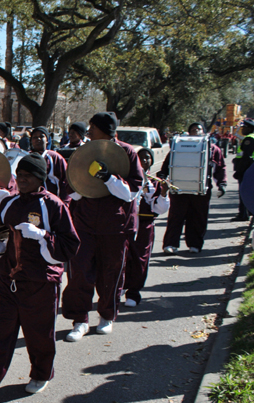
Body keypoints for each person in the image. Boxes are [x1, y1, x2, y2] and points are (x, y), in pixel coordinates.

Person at [0, 153, 80, 403]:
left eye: (27, 177)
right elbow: (0, 231)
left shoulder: (53, 205)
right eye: (19, 176)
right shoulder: (9, 203)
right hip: (7, 280)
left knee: (39, 334)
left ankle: (40, 374)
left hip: (39, 282)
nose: (22, 180)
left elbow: (70, 244)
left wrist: (42, 236)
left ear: (39, 179)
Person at [62, 112, 144, 341]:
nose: (89, 131)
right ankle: (80, 321)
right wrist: (77, 190)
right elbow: (72, 184)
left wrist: (108, 178)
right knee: (79, 273)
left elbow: (132, 193)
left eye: (93, 127)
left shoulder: (127, 152)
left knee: (111, 273)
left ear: (105, 130)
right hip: (85, 223)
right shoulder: (84, 151)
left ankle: (107, 316)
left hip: (115, 226)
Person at [161, 122, 226, 254]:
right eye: (193, 129)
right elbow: (168, 163)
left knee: (198, 218)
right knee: (176, 217)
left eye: (199, 129)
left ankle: (195, 244)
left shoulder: (213, 149)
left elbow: (220, 167)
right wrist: (162, 177)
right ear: (189, 132)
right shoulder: (178, 146)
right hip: (179, 188)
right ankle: (170, 244)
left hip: (201, 190)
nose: (196, 130)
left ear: (204, 132)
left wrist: (222, 184)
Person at [125, 149, 169, 307]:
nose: (143, 160)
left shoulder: (155, 182)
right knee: (123, 257)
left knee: (140, 259)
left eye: (147, 158)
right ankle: (121, 287)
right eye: (140, 157)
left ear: (151, 161)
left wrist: (163, 194)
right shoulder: (128, 178)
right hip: (126, 225)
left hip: (145, 226)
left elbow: (160, 209)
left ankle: (134, 293)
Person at [232, 119, 254, 221]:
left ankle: (243, 215)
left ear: (249, 128)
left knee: (244, 191)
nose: (242, 130)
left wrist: (239, 172)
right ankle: (248, 212)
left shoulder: (248, 139)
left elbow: (246, 157)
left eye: (244, 128)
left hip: (247, 169)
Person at [29, 126, 70, 202]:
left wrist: (65, 201)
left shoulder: (55, 157)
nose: (38, 139)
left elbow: (67, 180)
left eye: (41, 136)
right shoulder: (26, 157)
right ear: (31, 141)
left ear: (47, 140)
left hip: (52, 203)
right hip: (31, 204)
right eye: (35, 137)